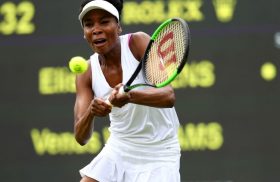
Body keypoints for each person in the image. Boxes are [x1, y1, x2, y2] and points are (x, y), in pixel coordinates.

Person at [73, 0, 181, 181]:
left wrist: (129, 96)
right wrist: (91, 112)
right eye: (89, 24)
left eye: (104, 21)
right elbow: (81, 138)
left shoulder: (137, 42)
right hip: (119, 148)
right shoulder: (86, 71)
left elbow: (168, 96)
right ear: (84, 34)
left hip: (160, 151)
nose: (96, 29)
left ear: (119, 27)